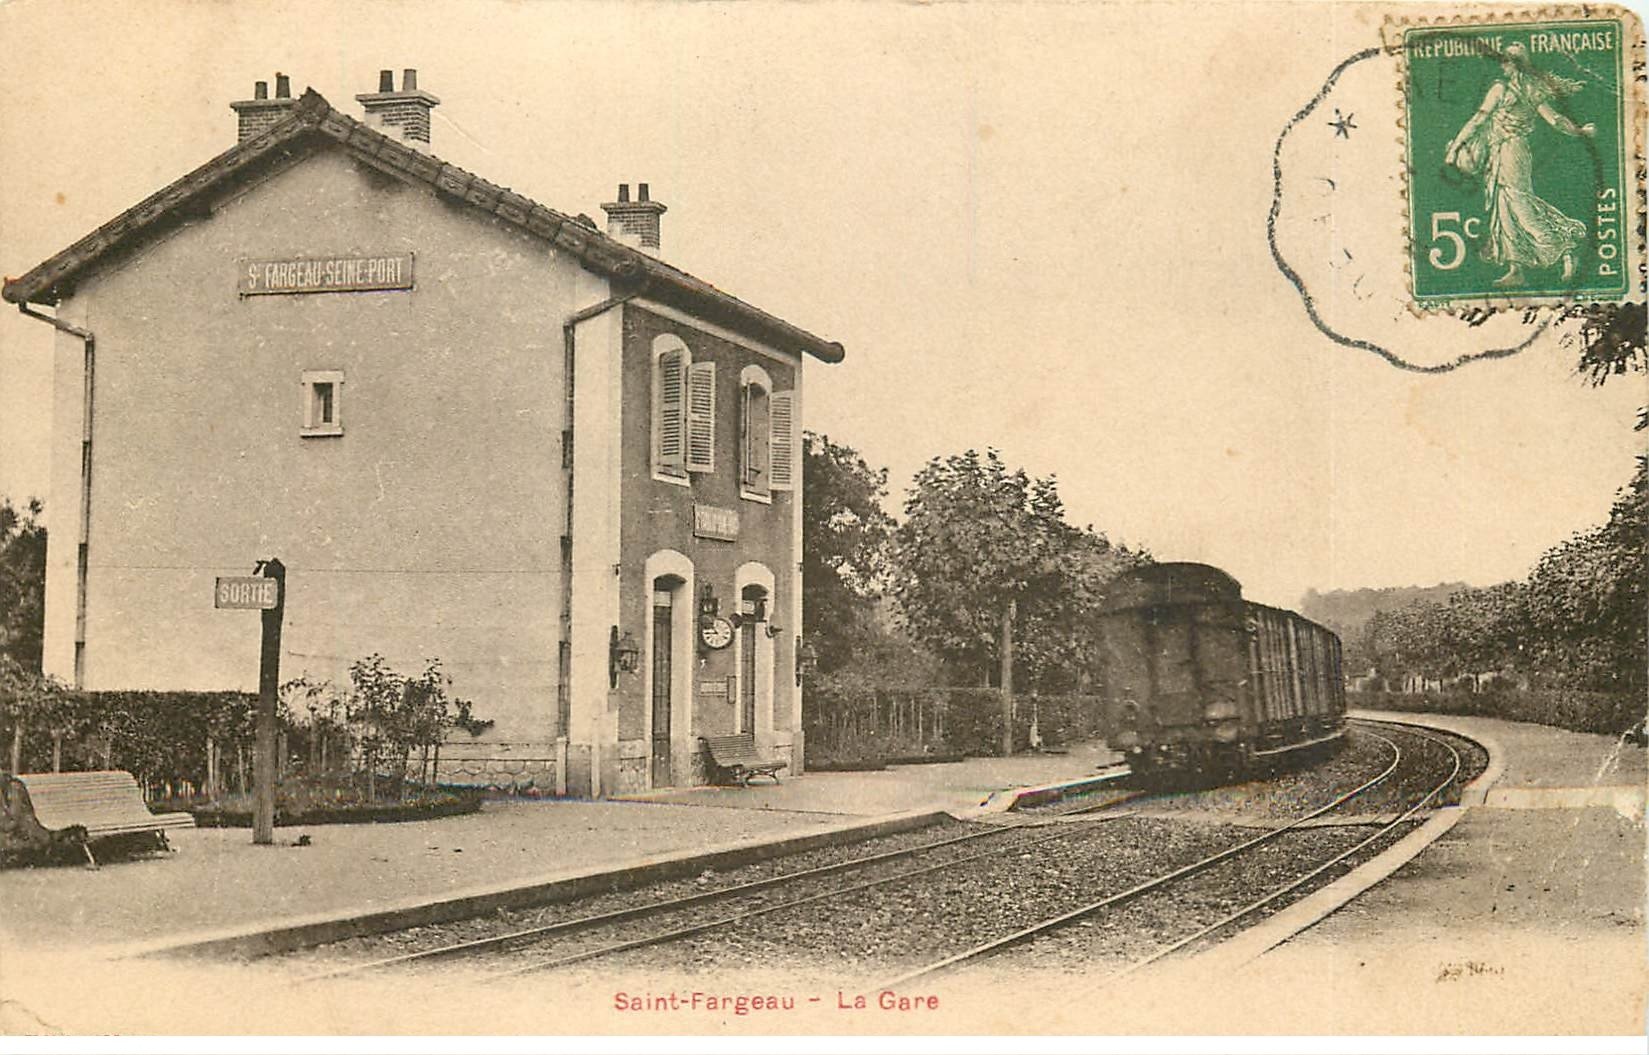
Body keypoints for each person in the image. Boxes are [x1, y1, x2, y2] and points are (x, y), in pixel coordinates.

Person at [1444, 42, 1596, 286]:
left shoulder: (1501, 89)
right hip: (1507, 151)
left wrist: (1454, 149)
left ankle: (1564, 248)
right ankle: (1516, 270)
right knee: (1504, 206)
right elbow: (1555, 120)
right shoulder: (1531, 89)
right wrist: (1579, 131)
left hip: (1509, 151)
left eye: (1504, 60)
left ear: (1512, 64)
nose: (1502, 65)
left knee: (1518, 203)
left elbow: (1477, 121)